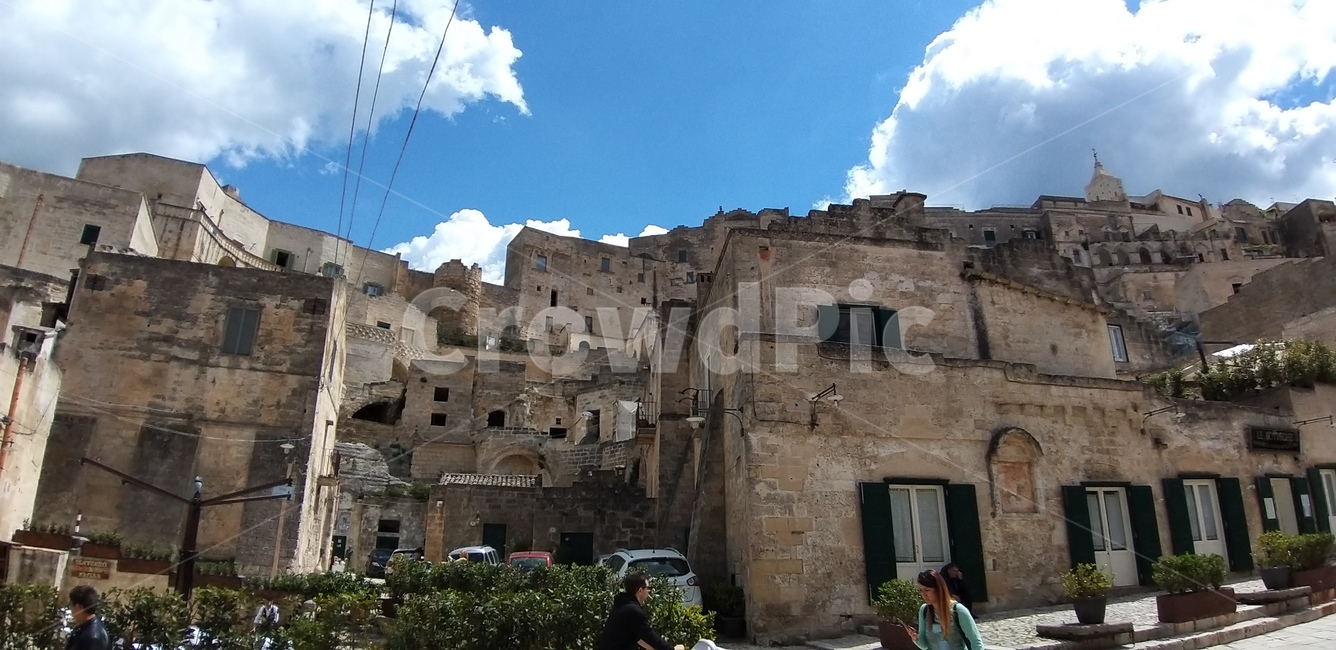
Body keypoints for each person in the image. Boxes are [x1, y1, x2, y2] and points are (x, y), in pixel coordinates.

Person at [596, 573, 685, 650]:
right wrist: (672, 649)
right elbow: (649, 636)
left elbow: (640, 638)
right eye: (648, 588)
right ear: (640, 590)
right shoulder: (633, 611)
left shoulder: (622, 604)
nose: (649, 591)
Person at [906, 570, 984, 650]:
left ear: (939, 590)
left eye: (927, 590)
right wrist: (915, 638)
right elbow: (924, 645)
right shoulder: (924, 610)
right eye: (921, 590)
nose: (923, 595)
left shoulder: (958, 610)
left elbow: (976, 642)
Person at [66, 585, 110, 650]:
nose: (72, 610)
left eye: (72, 606)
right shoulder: (86, 628)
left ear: (79, 607)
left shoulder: (92, 637)